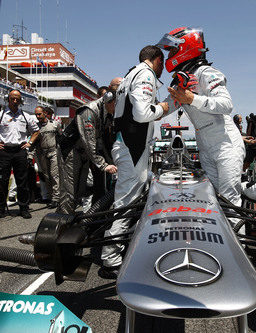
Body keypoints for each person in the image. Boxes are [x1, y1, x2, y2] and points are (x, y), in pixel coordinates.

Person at [100, 46, 169, 278]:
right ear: (157, 60)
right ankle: (110, 259)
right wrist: (165, 107)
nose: (164, 67)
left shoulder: (130, 74)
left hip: (128, 145)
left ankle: (121, 246)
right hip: (132, 147)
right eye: (163, 62)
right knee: (125, 203)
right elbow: (141, 113)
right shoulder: (146, 74)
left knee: (130, 198)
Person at [157, 26, 245, 208]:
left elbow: (226, 104)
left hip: (226, 146)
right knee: (211, 201)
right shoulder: (181, 81)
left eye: (172, 49)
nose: (169, 55)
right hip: (205, 148)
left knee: (230, 203)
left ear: (186, 47)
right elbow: (163, 109)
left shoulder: (206, 73)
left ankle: (238, 236)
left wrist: (192, 99)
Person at [57, 81, 118, 214]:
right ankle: (63, 222)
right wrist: (103, 165)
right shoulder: (89, 111)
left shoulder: (106, 112)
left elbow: (103, 141)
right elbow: (89, 141)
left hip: (83, 152)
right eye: (117, 105)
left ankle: (67, 217)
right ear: (109, 101)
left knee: (79, 189)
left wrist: (111, 161)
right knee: (69, 190)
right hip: (71, 150)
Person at [0, 89, 40, 219]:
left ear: (21, 101)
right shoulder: (0, 115)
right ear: (8, 99)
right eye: (12, 98)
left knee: (22, 181)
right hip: (4, 151)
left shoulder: (26, 116)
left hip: (20, 151)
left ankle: (24, 208)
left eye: (17, 99)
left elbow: (36, 131)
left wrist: (30, 143)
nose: (15, 101)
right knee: (2, 181)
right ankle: (0, 210)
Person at [33, 106, 61, 208]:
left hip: (54, 152)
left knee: (55, 175)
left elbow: (60, 137)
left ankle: (56, 198)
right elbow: (33, 142)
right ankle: (50, 197)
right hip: (42, 153)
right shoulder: (35, 127)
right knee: (47, 176)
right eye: (36, 114)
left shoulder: (55, 124)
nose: (37, 116)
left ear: (45, 113)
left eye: (39, 114)